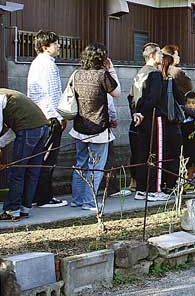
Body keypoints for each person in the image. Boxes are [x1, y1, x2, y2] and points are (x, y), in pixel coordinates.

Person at [0, 85, 50, 221]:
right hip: (43, 128)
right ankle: (24, 209)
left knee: (17, 172)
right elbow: (15, 128)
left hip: (29, 130)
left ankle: (12, 211)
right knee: (31, 171)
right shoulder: (8, 95)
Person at [69, 44, 120, 211]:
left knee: (80, 164)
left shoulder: (76, 74)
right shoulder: (102, 75)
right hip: (98, 128)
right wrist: (111, 70)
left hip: (79, 127)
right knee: (96, 166)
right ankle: (89, 202)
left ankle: (76, 200)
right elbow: (116, 93)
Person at [26, 31, 68, 208]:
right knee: (48, 158)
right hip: (50, 116)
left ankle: (36, 195)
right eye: (56, 44)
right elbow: (52, 93)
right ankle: (44, 197)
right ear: (45, 47)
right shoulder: (48, 65)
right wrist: (59, 116)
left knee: (38, 158)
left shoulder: (36, 63)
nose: (59, 46)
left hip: (38, 115)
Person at [128, 43, 167, 202]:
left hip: (138, 118)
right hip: (152, 117)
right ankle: (154, 190)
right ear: (152, 55)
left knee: (141, 154)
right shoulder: (155, 74)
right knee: (156, 153)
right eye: (160, 54)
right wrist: (143, 112)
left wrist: (136, 113)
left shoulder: (139, 73)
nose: (162, 57)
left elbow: (131, 97)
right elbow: (154, 97)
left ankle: (141, 189)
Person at [157, 53, 186, 194]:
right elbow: (181, 99)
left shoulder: (152, 79)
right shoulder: (170, 80)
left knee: (161, 155)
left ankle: (160, 184)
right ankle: (171, 184)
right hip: (171, 121)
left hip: (157, 122)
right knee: (174, 155)